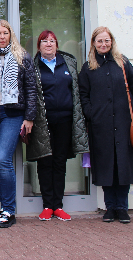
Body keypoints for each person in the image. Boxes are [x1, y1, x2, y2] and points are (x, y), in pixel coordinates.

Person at [78, 26, 133, 225]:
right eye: (99, 41)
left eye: (106, 40)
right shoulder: (88, 68)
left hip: (124, 123)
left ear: (112, 41)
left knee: (123, 166)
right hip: (100, 125)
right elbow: (83, 95)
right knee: (105, 166)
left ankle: (122, 208)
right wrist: (91, 114)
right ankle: (110, 207)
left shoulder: (122, 63)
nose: (103, 44)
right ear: (93, 43)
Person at [0, 20, 36, 228]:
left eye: (5, 33)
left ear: (11, 35)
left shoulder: (22, 57)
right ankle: (5, 208)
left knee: (3, 159)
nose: (2, 37)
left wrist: (29, 117)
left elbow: (31, 89)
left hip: (12, 114)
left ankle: (9, 210)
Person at [28, 30, 89, 222]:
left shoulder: (68, 63)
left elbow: (76, 92)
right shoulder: (33, 66)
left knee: (60, 162)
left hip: (65, 120)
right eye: (44, 41)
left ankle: (58, 206)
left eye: (52, 41)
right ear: (39, 46)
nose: (48, 44)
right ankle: (47, 206)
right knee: (45, 162)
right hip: (42, 122)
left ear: (57, 45)